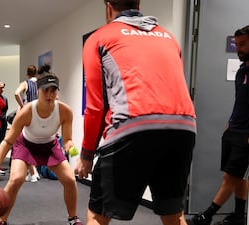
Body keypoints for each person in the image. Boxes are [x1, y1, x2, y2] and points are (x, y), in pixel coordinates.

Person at [75, 1, 196, 225]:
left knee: (98, 212)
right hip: (183, 127)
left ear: (108, 7)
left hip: (132, 127)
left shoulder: (99, 37)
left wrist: (86, 155)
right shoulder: (169, 37)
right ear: (138, 3)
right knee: (173, 213)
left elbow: (96, 106)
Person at [0, 74, 83, 225]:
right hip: (25, 145)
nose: (49, 95)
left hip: (49, 146)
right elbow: (8, 141)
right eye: (45, 91)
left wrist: (75, 153)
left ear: (57, 93)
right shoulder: (27, 111)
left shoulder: (64, 111)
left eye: (53, 91)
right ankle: (2, 220)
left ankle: (73, 218)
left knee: (69, 179)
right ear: (38, 92)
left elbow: (67, 140)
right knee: (16, 179)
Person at [187, 25, 249, 225]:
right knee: (239, 176)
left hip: (247, 133)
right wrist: (229, 122)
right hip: (233, 129)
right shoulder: (242, 70)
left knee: (230, 177)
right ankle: (238, 216)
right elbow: (240, 100)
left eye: (243, 44)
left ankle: (206, 216)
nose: (239, 49)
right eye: (237, 45)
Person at [14, 65, 40, 182]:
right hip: (39, 113)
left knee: (25, 143)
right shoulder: (40, 83)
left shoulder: (25, 83)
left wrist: (21, 106)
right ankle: (33, 171)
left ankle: (33, 173)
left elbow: (16, 93)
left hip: (28, 113)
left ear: (27, 73)